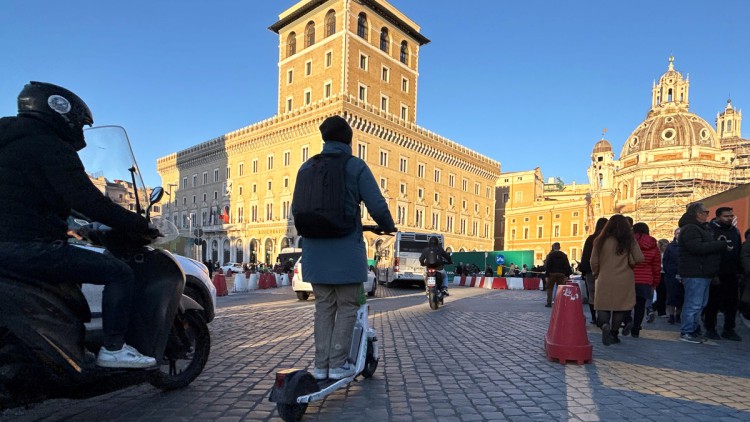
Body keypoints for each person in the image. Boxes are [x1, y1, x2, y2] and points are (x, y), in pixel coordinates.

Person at [0, 81, 158, 368]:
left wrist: (77, 227)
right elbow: (89, 200)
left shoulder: (10, 143)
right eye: (81, 125)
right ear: (63, 115)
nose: (81, 134)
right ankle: (114, 348)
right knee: (119, 273)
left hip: (9, 248)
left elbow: (37, 197)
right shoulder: (48, 145)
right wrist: (138, 225)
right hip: (29, 247)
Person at [292, 115, 395, 381]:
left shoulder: (306, 167)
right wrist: (387, 225)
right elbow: (377, 204)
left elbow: (297, 209)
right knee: (348, 305)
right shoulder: (355, 166)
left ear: (324, 139)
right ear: (348, 141)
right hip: (346, 251)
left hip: (314, 251)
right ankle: (338, 363)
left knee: (323, 306)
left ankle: (321, 364)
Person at [677, 202, 730, 344]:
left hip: (702, 272)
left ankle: (693, 330)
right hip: (695, 272)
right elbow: (696, 248)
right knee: (693, 304)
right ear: (697, 214)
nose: (707, 214)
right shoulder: (691, 229)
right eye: (705, 212)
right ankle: (687, 331)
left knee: (700, 304)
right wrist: (719, 245)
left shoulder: (700, 228)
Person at [591, 214, 644, 345]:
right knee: (620, 307)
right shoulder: (629, 240)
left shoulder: (600, 240)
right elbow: (639, 258)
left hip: (604, 276)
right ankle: (614, 334)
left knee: (603, 305)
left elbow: (593, 261)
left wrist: (597, 273)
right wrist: (630, 261)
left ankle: (604, 325)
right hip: (624, 277)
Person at [704, 207, 742, 341]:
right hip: (716, 272)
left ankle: (729, 328)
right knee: (713, 302)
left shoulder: (734, 231)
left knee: (732, 303)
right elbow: (708, 253)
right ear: (718, 217)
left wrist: (739, 270)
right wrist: (713, 273)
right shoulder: (710, 230)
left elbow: (738, 251)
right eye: (726, 216)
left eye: (731, 216)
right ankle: (710, 327)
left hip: (731, 272)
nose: (730, 218)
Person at [630, 222, 661, 338]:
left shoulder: (630, 242)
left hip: (629, 278)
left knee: (627, 304)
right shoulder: (653, 245)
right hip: (645, 280)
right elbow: (656, 267)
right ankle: (636, 328)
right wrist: (655, 283)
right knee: (640, 306)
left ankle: (627, 320)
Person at [579, 217, 608, 324]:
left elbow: (585, 256)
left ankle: (594, 318)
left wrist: (583, 270)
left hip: (590, 271)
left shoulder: (591, 239)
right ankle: (604, 319)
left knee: (592, 295)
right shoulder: (609, 239)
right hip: (606, 271)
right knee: (604, 295)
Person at [662, 229, 683, 324]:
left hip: (684, 275)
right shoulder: (670, 246)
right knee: (671, 297)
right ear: (674, 234)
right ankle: (671, 315)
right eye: (677, 233)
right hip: (671, 276)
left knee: (681, 297)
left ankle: (678, 315)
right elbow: (665, 261)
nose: (679, 235)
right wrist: (669, 272)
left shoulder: (687, 245)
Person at [544, 242, 572, 307]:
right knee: (561, 289)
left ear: (553, 247)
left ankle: (549, 302)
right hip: (561, 274)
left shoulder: (550, 255)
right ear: (560, 247)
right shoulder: (564, 255)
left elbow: (548, 265)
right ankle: (560, 302)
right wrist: (567, 275)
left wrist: (547, 275)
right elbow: (567, 266)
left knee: (550, 288)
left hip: (552, 274)